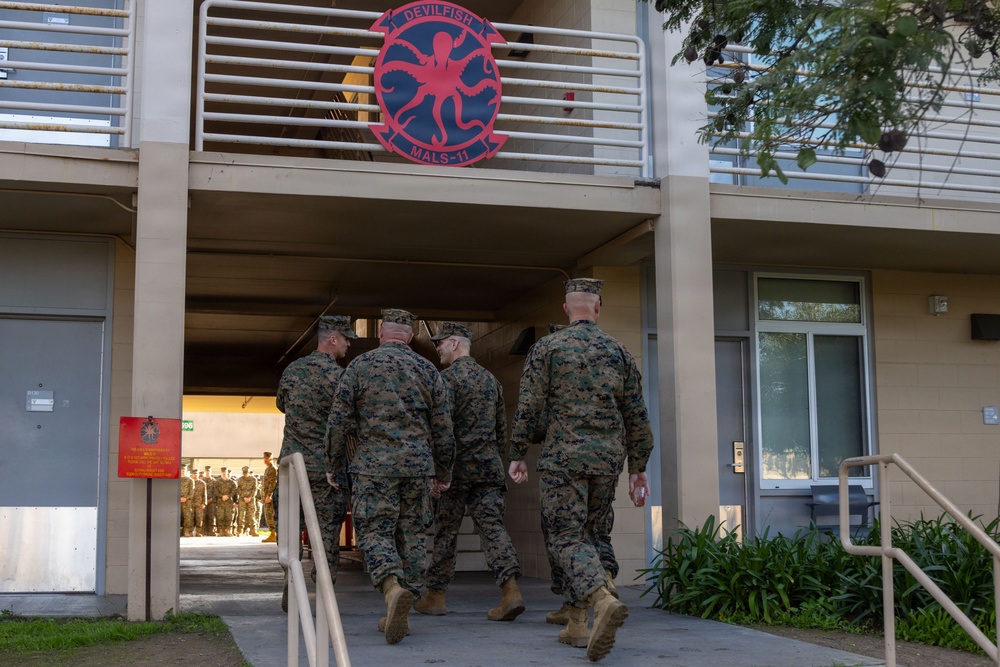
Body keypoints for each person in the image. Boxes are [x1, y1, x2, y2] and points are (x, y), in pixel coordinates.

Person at [508, 278, 653, 663]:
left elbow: (530, 405)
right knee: (594, 535)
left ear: (566, 308)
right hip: (607, 461)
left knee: (565, 538)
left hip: (564, 460)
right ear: (598, 308)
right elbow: (637, 414)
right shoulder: (619, 350)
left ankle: (602, 599)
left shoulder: (548, 348)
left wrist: (518, 451)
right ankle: (576, 623)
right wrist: (638, 467)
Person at [326, 308, 455, 645]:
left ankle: (391, 587)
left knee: (375, 532)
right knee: (412, 536)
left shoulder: (359, 367)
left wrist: (332, 462)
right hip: (417, 467)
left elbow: (338, 421)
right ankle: (403, 610)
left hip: (373, 467)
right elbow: (443, 428)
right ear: (410, 336)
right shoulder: (428, 370)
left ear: (382, 332)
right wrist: (443, 472)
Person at [415, 321, 524, 622]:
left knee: (446, 534)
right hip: (488, 469)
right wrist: (492, 458)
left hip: (457, 471)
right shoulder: (491, 381)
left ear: (454, 343)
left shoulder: (446, 381)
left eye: (440, 343)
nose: (436, 348)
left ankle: (435, 596)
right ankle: (511, 590)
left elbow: (440, 430)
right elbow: (502, 430)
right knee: (493, 529)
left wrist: (439, 473)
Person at [275, 315, 356, 602]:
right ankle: (323, 588)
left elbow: (282, 405)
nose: (348, 345)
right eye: (346, 339)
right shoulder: (340, 377)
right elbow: (350, 421)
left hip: (292, 466)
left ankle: (290, 578)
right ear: (332, 339)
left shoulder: (293, 371)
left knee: (288, 526)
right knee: (327, 531)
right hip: (326, 468)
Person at [236, 466, 259, 536]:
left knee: (251, 515)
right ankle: (240, 531)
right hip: (242, 499)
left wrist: (250, 497)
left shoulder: (253, 479)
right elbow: (238, 489)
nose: (245, 474)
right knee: (241, 515)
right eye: (244, 472)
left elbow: (255, 489)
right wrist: (243, 497)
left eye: (246, 472)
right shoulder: (240, 479)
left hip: (251, 499)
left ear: (249, 472)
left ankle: (253, 531)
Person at [215, 467, 238, 536]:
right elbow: (216, 491)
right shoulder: (217, 482)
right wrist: (222, 496)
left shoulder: (232, 482)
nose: (224, 474)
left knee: (229, 517)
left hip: (229, 502)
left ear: (228, 473)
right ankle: (221, 531)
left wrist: (228, 496)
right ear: (221, 473)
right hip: (220, 501)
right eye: (223, 473)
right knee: (220, 516)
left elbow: (234, 491)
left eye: (225, 473)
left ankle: (227, 530)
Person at [261, 451, 278, 542]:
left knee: (271, 515)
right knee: (268, 515)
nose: (265, 460)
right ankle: (272, 534)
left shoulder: (273, 469)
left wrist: (269, 495)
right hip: (266, 497)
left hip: (270, 497)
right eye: (264, 458)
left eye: (267, 458)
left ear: (271, 458)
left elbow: (273, 483)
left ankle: (274, 534)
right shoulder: (267, 469)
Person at [179, 465, 196, 537]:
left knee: (187, 516)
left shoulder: (190, 480)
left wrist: (186, 498)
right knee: (177, 516)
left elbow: (192, 491)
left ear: (186, 470)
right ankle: (178, 531)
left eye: (184, 469)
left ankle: (186, 531)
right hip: (177, 501)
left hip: (187, 501)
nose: (183, 470)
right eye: (182, 469)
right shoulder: (176, 479)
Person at [193, 468, 208, 536]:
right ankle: (190, 531)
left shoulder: (202, 483)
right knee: (190, 518)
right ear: (192, 474)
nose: (195, 475)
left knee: (199, 518)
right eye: (194, 473)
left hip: (199, 504)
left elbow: (204, 494)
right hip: (190, 504)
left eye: (196, 474)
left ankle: (199, 532)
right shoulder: (190, 482)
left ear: (198, 474)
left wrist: (204, 503)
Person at [203, 466, 217, 536]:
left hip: (212, 501)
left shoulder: (214, 481)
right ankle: (204, 531)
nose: (208, 472)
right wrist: (204, 500)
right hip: (203, 501)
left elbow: (216, 491)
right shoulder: (202, 481)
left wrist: (211, 498)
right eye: (206, 471)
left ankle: (211, 531)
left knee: (211, 516)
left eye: (209, 471)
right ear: (205, 471)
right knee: (203, 516)